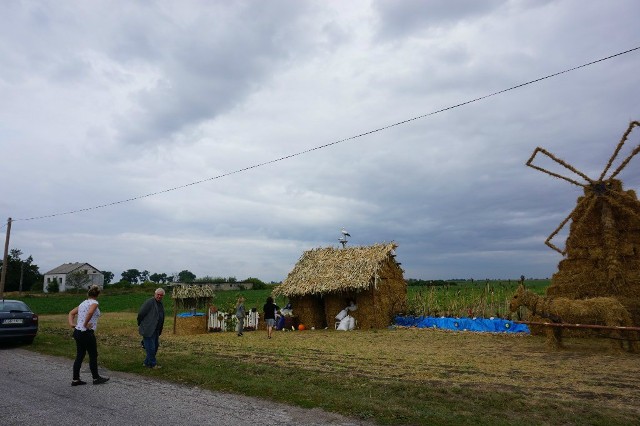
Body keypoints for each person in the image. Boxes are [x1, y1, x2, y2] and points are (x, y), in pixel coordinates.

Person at [68, 285, 109, 386]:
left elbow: (71, 313)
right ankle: (96, 378)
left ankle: (75, 379)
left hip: (77, 332)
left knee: (80, 355)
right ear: (98, 294)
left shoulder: (83, 303)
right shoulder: (94, 303)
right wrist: (85, 324)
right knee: (93, 355)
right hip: (86, 333)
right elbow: (90, 312)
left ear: (88, 293)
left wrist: (72, 324)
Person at [137, 288, 165, 368]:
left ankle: (146, 363)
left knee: (155, 347)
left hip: (156, 330)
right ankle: (153, 364)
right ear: (155, 294)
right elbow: (141, 314)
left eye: (161, 295)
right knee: (151, 348)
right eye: (158, 294)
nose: (159, 296)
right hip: (148, 329)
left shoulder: (160, 303)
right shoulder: (149, 302)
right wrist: (141, 324)